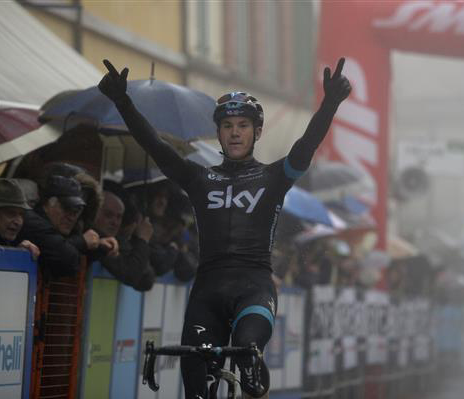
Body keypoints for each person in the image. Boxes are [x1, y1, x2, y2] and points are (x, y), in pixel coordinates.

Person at [98, 57, 351, 398]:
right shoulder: (199, 178)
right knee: (197, 386)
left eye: (243, 125)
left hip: (254, 288)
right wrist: (123, 102)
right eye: (227, 125)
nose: (235, 132)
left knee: (246, 346)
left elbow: (306, 145)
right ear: (218, 133)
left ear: (257, 132)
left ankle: (250, 366)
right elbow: (156, 147)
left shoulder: (274, 177)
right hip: (208, 293)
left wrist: (330, 103)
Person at [17, 174, 117, 277]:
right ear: (50, 203)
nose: (71, 217)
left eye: (76, 211)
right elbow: (67, 259)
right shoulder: (35, 223)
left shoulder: (51, 227)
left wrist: (99, 245)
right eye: (67, 209)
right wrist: (82, 242)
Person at [93, 184, 156, 291]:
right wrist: (143, 240)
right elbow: (131, 275)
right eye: (108, 215)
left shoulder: (116, 241)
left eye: (119, 217)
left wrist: (137, 239)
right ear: (94, 211)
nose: (115, 222)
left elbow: (145, 278)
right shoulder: (97, 240)